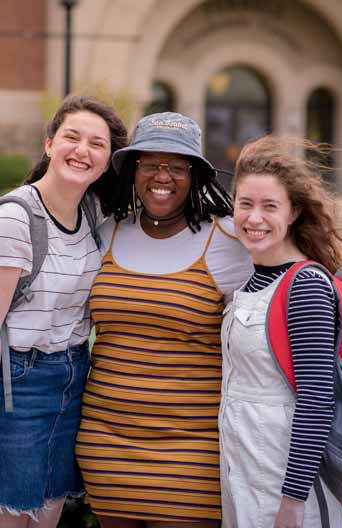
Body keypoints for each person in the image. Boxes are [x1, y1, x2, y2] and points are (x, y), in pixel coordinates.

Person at [76, 112, 253, 528]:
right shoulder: (107, 233)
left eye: (177, 166)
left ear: (195, 177)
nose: (162, 175)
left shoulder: (229, 241)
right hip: (106, 444)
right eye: (150, 163)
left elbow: (283, 281)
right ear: (133, 171)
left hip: (193, 452)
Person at [219, 136, 342, 528]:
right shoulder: (252, 281)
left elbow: (317, 400)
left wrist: (293, 501)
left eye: (270, 207)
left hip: (283, 486)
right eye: (245, 204)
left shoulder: (306, 286)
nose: (254, 218)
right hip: (243, 475)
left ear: (294, 212)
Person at [0, 95, 128, 528]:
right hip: (18, 384)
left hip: (75, 378)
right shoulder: (16, 218)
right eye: (72, 137)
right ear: (50, 144)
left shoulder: (95, 214)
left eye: (98, 143)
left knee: (50, 511)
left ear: (108, 159)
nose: (83, 150)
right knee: (14, 515)